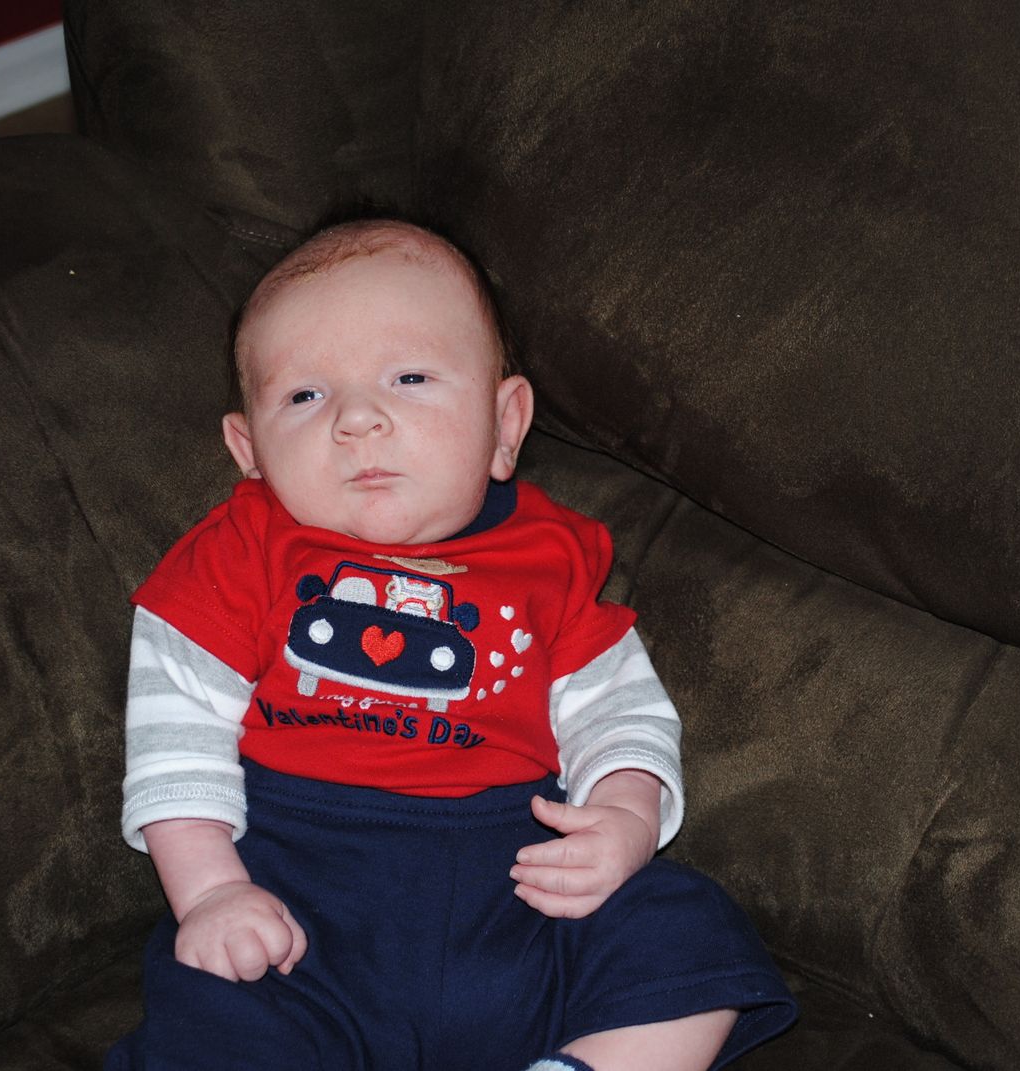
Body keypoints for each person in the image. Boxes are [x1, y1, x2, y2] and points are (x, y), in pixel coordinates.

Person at [107, 218, 796, 1071]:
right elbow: (174, 730)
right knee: (212, 1007)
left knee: (689, 930)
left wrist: (624, 818)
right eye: (305, 396)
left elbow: (619, 711)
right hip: (302, 920)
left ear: (505, 425)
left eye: (409, 377)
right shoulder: (239, 553)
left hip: (519, 904)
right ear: (248, 448)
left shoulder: (552, 558)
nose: (359, 418)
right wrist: (211, 890)